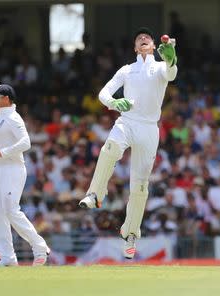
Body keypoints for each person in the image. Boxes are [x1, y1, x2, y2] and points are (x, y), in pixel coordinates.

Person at [79, 27, 178, 259]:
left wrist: (171, 58)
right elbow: (103, 93)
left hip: (149, 129)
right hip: (127, 121)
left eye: (147, 38)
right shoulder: (127, 70)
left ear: (154, 46)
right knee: (110, 148)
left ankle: (130, 233)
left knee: (140, 185)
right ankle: (95, 194)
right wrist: (115, 103)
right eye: (139, 39)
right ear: (135, 48)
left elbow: (171, 74)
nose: (143, 39)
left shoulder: (160, 67)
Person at [0, 46, 49, 267]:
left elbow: (26, 142)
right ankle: (7, 258)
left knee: (11, 210)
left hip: (14, 169)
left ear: (5, 99)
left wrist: (1, 152)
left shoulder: (13, 118)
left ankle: (40, 247)